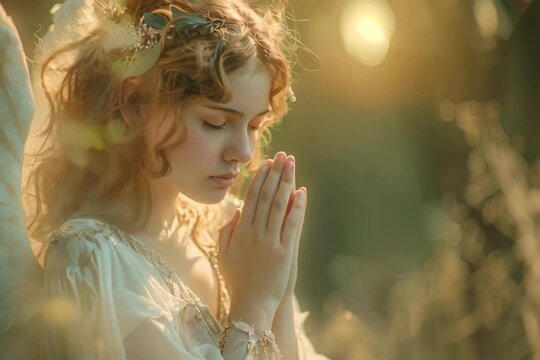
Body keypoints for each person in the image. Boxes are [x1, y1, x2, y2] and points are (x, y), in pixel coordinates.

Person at [0, 0, 330, 359]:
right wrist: (254, 302)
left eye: (254, 125)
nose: (244, 153)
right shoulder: (91, 260)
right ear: (135, 104)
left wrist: (280, 285)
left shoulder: (231, 227)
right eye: (215, 123)